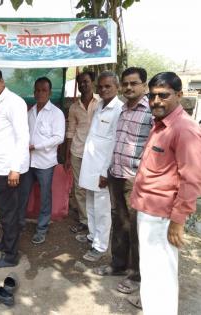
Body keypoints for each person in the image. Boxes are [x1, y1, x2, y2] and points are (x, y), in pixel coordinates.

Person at [130, 72, 201, 314]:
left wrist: (177, 221)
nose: (156, 101)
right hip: (148, 210)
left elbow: (191, 180)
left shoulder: (185, 129)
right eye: (152, 95)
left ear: (179, 95)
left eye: (164, 95)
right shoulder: (160, 124)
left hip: (163, 216)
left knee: (161, 276)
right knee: (151, 272)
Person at [93, 67, 152, 295]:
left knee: (136, 228)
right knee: (119, 223)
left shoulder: (150, 112)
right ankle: (118, 265)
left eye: (133, 83)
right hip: (116, 174)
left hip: (135, 179)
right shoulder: (124, 110)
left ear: (144, 86)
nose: (129, 87)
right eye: (126, 83)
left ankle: (136, 276)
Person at [0, 68, 29, 268]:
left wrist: (15, 169)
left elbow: (22, 137)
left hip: (10, 171)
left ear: (2, 81)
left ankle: (10, 256)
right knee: (5, 211)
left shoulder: (14, 103)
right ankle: (5, 243)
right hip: (0, 169)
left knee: (9, 212)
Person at [76, 71, 123, 262]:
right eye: (101, 86)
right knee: (90, 203)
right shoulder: (100, 106)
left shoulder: (119, 109)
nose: (103, 89)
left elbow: (114, 143)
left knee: (102, 208)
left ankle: (100, 246)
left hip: (102, 169)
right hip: (90, 165)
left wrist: (105, 172)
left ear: (116, 87)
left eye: (108, 86)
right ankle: (92, 235)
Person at [18, 77, 65, 244]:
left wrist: (36, 146)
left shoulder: (56, 113)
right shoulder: (29, 112)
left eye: (44, 90)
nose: (40, 93)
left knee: (45, 196)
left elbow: (59, 138)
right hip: (28, 161)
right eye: (37, 90)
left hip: (45, 162)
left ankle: (42, 229)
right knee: (23, 193)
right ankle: (19, 224)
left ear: (50, 92)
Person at [64, 71, 99, 234]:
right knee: (79, 188)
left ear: (93, 82)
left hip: (97, 154)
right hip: (77, 151)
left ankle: (97, 221)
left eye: (86, 81)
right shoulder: (74, 107)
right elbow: (70, 131)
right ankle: (84, 220)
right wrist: (67, 157)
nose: (83, 85)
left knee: (96, 188)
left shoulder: (102, 103)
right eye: (80, 83)